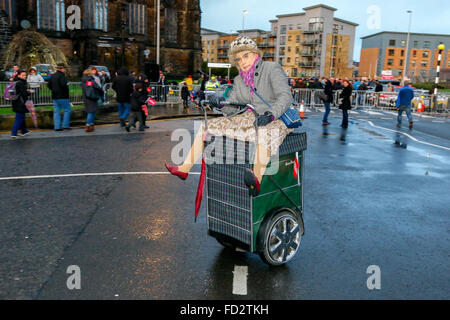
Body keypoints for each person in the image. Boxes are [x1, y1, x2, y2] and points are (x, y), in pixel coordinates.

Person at [165, 36, 294, 196]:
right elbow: (234, 106)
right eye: (238, 59)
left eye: (245, 55)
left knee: (265, 133)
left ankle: (256, 180)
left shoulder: (271, 68)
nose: (242, 62)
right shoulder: (240, 79)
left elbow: (285, 96)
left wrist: (270, 115)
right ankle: (184, 168)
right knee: (206, 125)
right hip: (249, 117)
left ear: (255, 53)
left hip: (275, 118)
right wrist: (221, 103)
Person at [48, 63, 71, 131]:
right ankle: (65, 125)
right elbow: (63, 85)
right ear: (62, 69)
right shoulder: (62, 76)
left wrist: (54, 90)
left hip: (55, 96)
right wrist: (66, 91)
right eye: (64, 69)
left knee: (56, 111)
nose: (65, 70)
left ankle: (57, 126)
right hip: (63, 96)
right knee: (67, 110)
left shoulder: (53, 76)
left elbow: (49, 85)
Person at [11, 70, 33, 138]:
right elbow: (24, 93)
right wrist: (30, 92)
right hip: (20, 103)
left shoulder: (16, 82)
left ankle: (24, 131)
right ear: (18, 75)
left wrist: (26, 91)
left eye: (25, 75)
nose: (25, 76)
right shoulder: (20, 83)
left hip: (16, 102)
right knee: (19, 118)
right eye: (23, 75)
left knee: (21, 117)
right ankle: (13, 133)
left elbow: (20, 91)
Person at [81, 68, 103, 132]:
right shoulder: (90, 80)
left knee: (91, 111)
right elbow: (97, 87)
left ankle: (91, 125)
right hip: (92, 98)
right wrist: (101, 92)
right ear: (89, 73)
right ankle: (88, 125)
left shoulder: (83, 80)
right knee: (91, 112)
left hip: (86, 98)